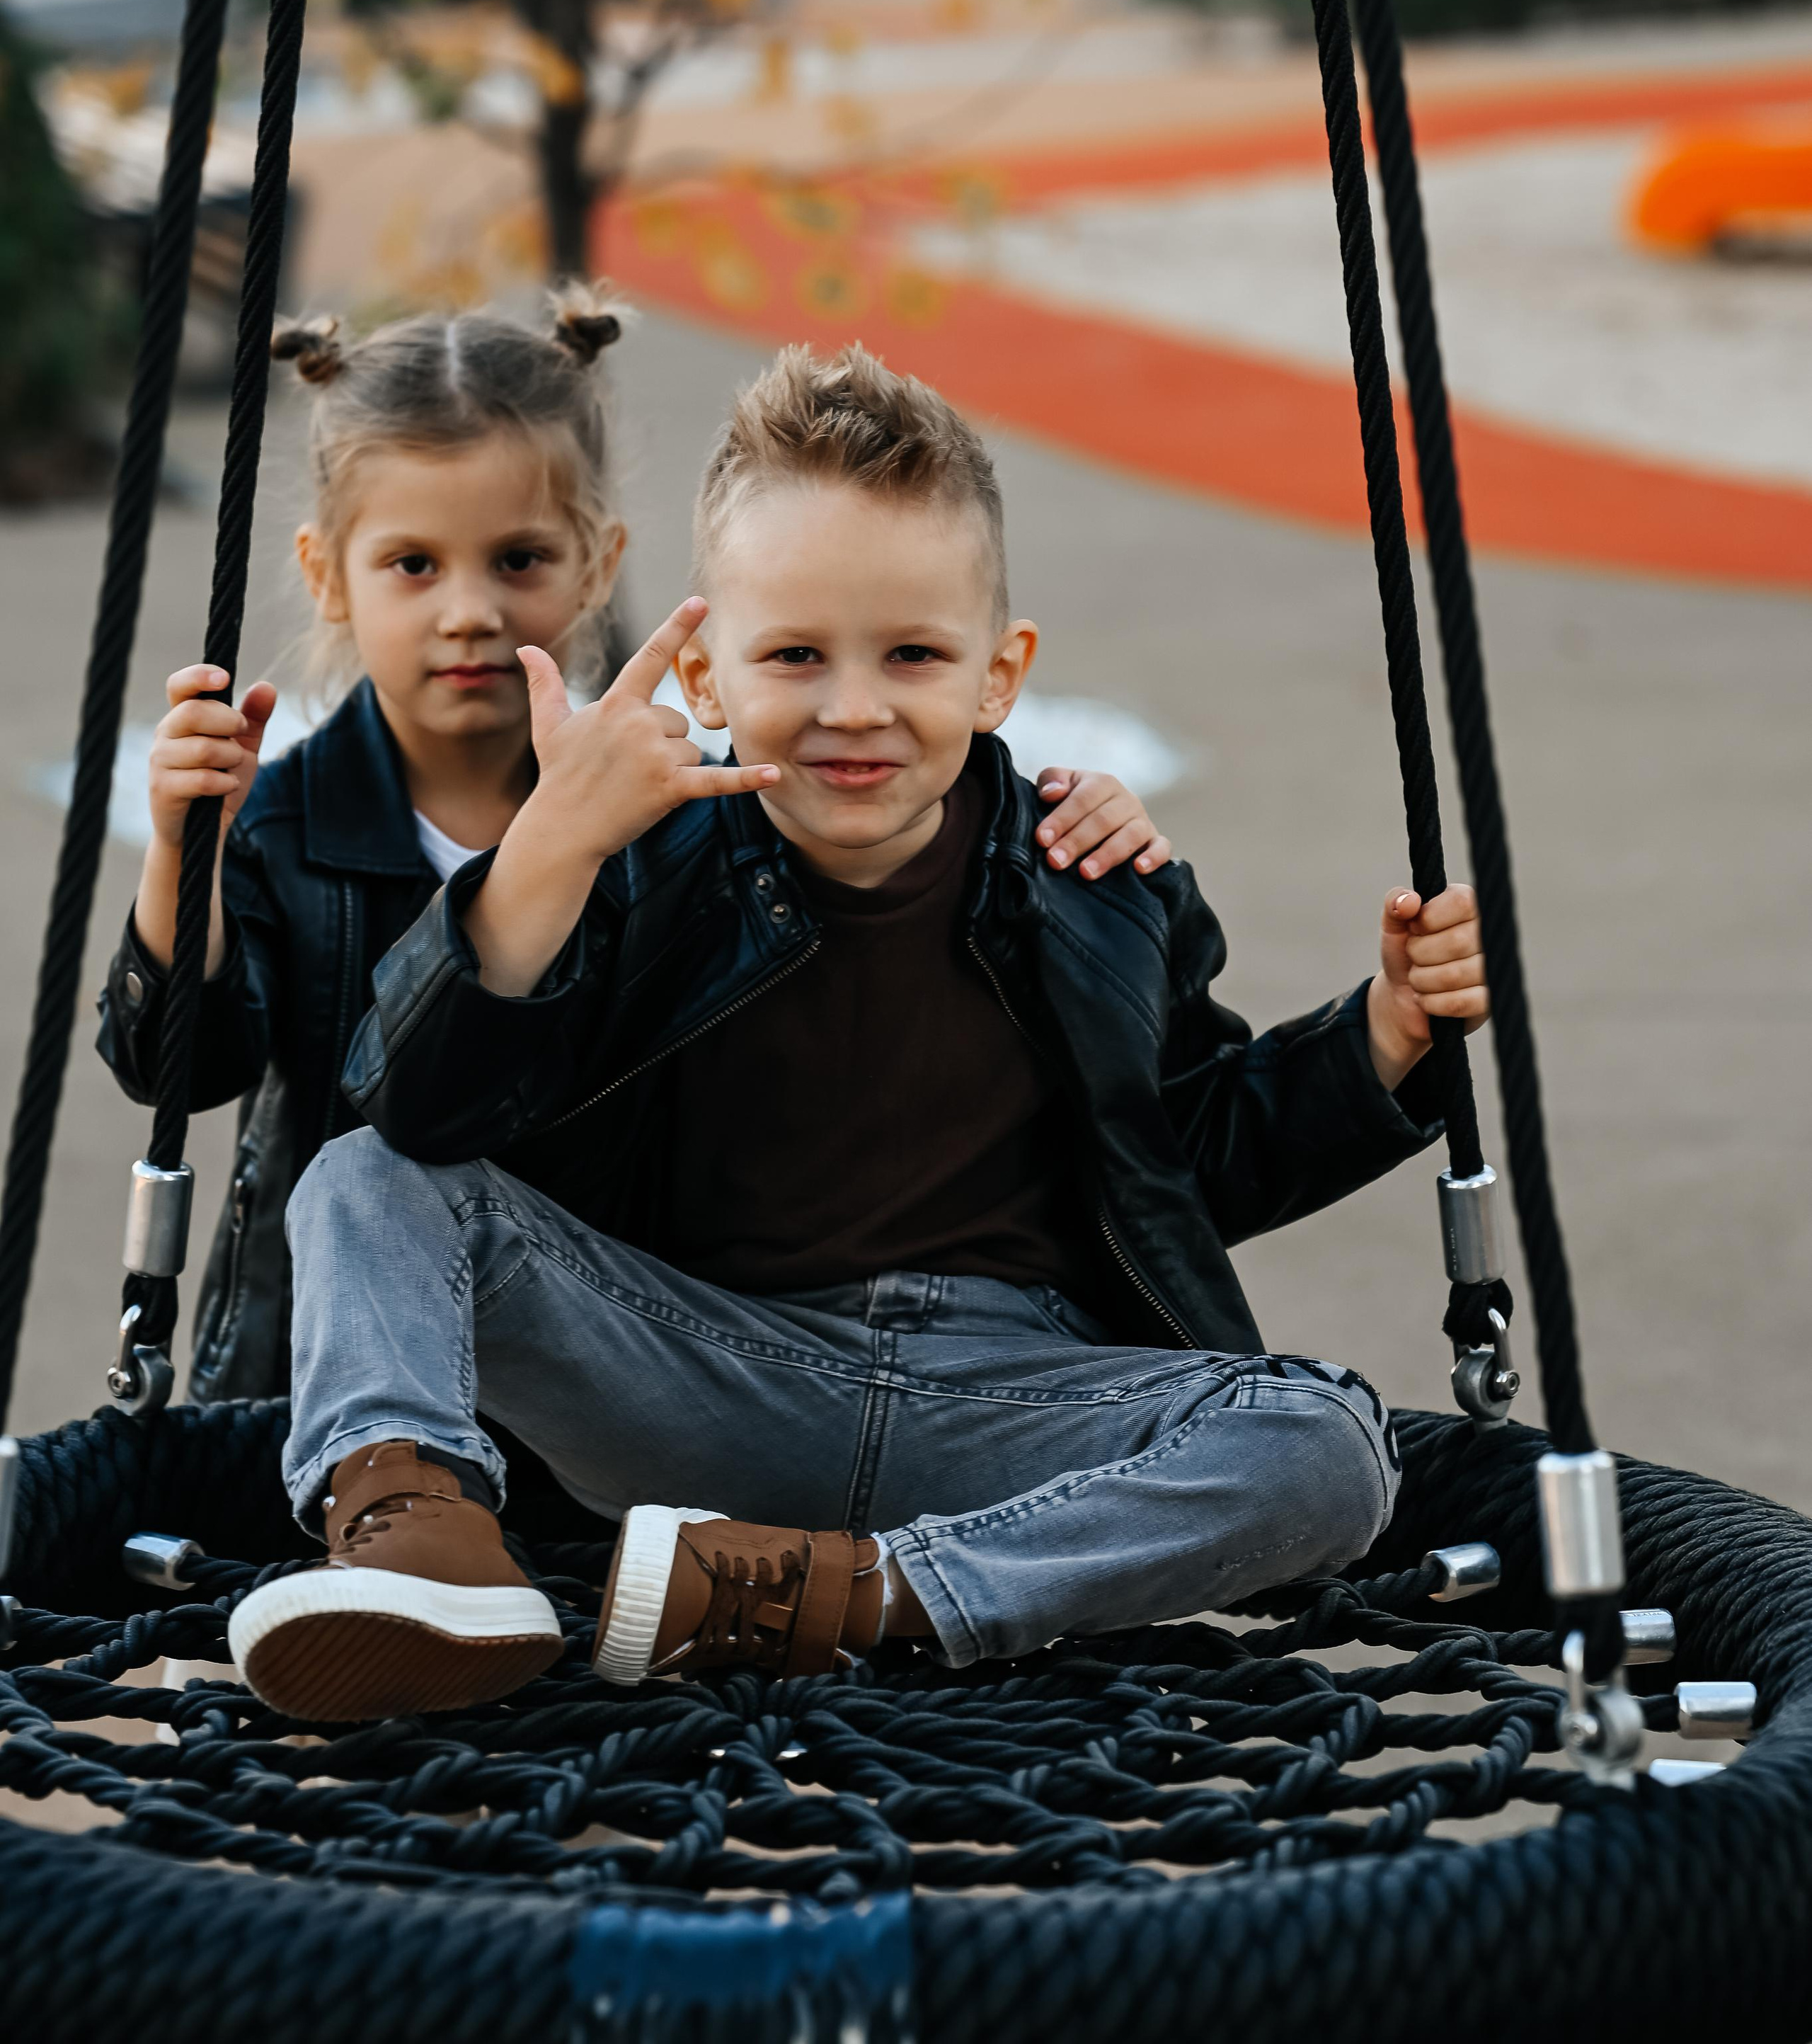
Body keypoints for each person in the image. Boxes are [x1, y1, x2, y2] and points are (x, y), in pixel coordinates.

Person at [228, 345, 1486, 1724]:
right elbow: (420, 1108)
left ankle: (838, 1594)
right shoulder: (641, 865)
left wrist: (1383, 1034)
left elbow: (1186, 1161)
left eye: (910, 654)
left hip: (1009, 1398)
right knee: (362, 1177)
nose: (851, 707)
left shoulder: (1094, 884)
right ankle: (422, 1535)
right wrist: (546, 851)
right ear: (702, 676)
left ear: (997, 675)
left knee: (1321, 1442)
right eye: (792, 655)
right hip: (709, 1371)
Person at [98, 299, 1173, 1405]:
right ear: (328, 575)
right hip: (318, 1369)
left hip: (600, 1362)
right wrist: (186, 854)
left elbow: (852, 902)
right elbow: (179, 1066)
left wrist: (1057, 815)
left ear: (599, 564)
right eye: (413, 565)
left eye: (519, 559)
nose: (469, 611)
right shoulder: (289, 823)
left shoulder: (676, 811)